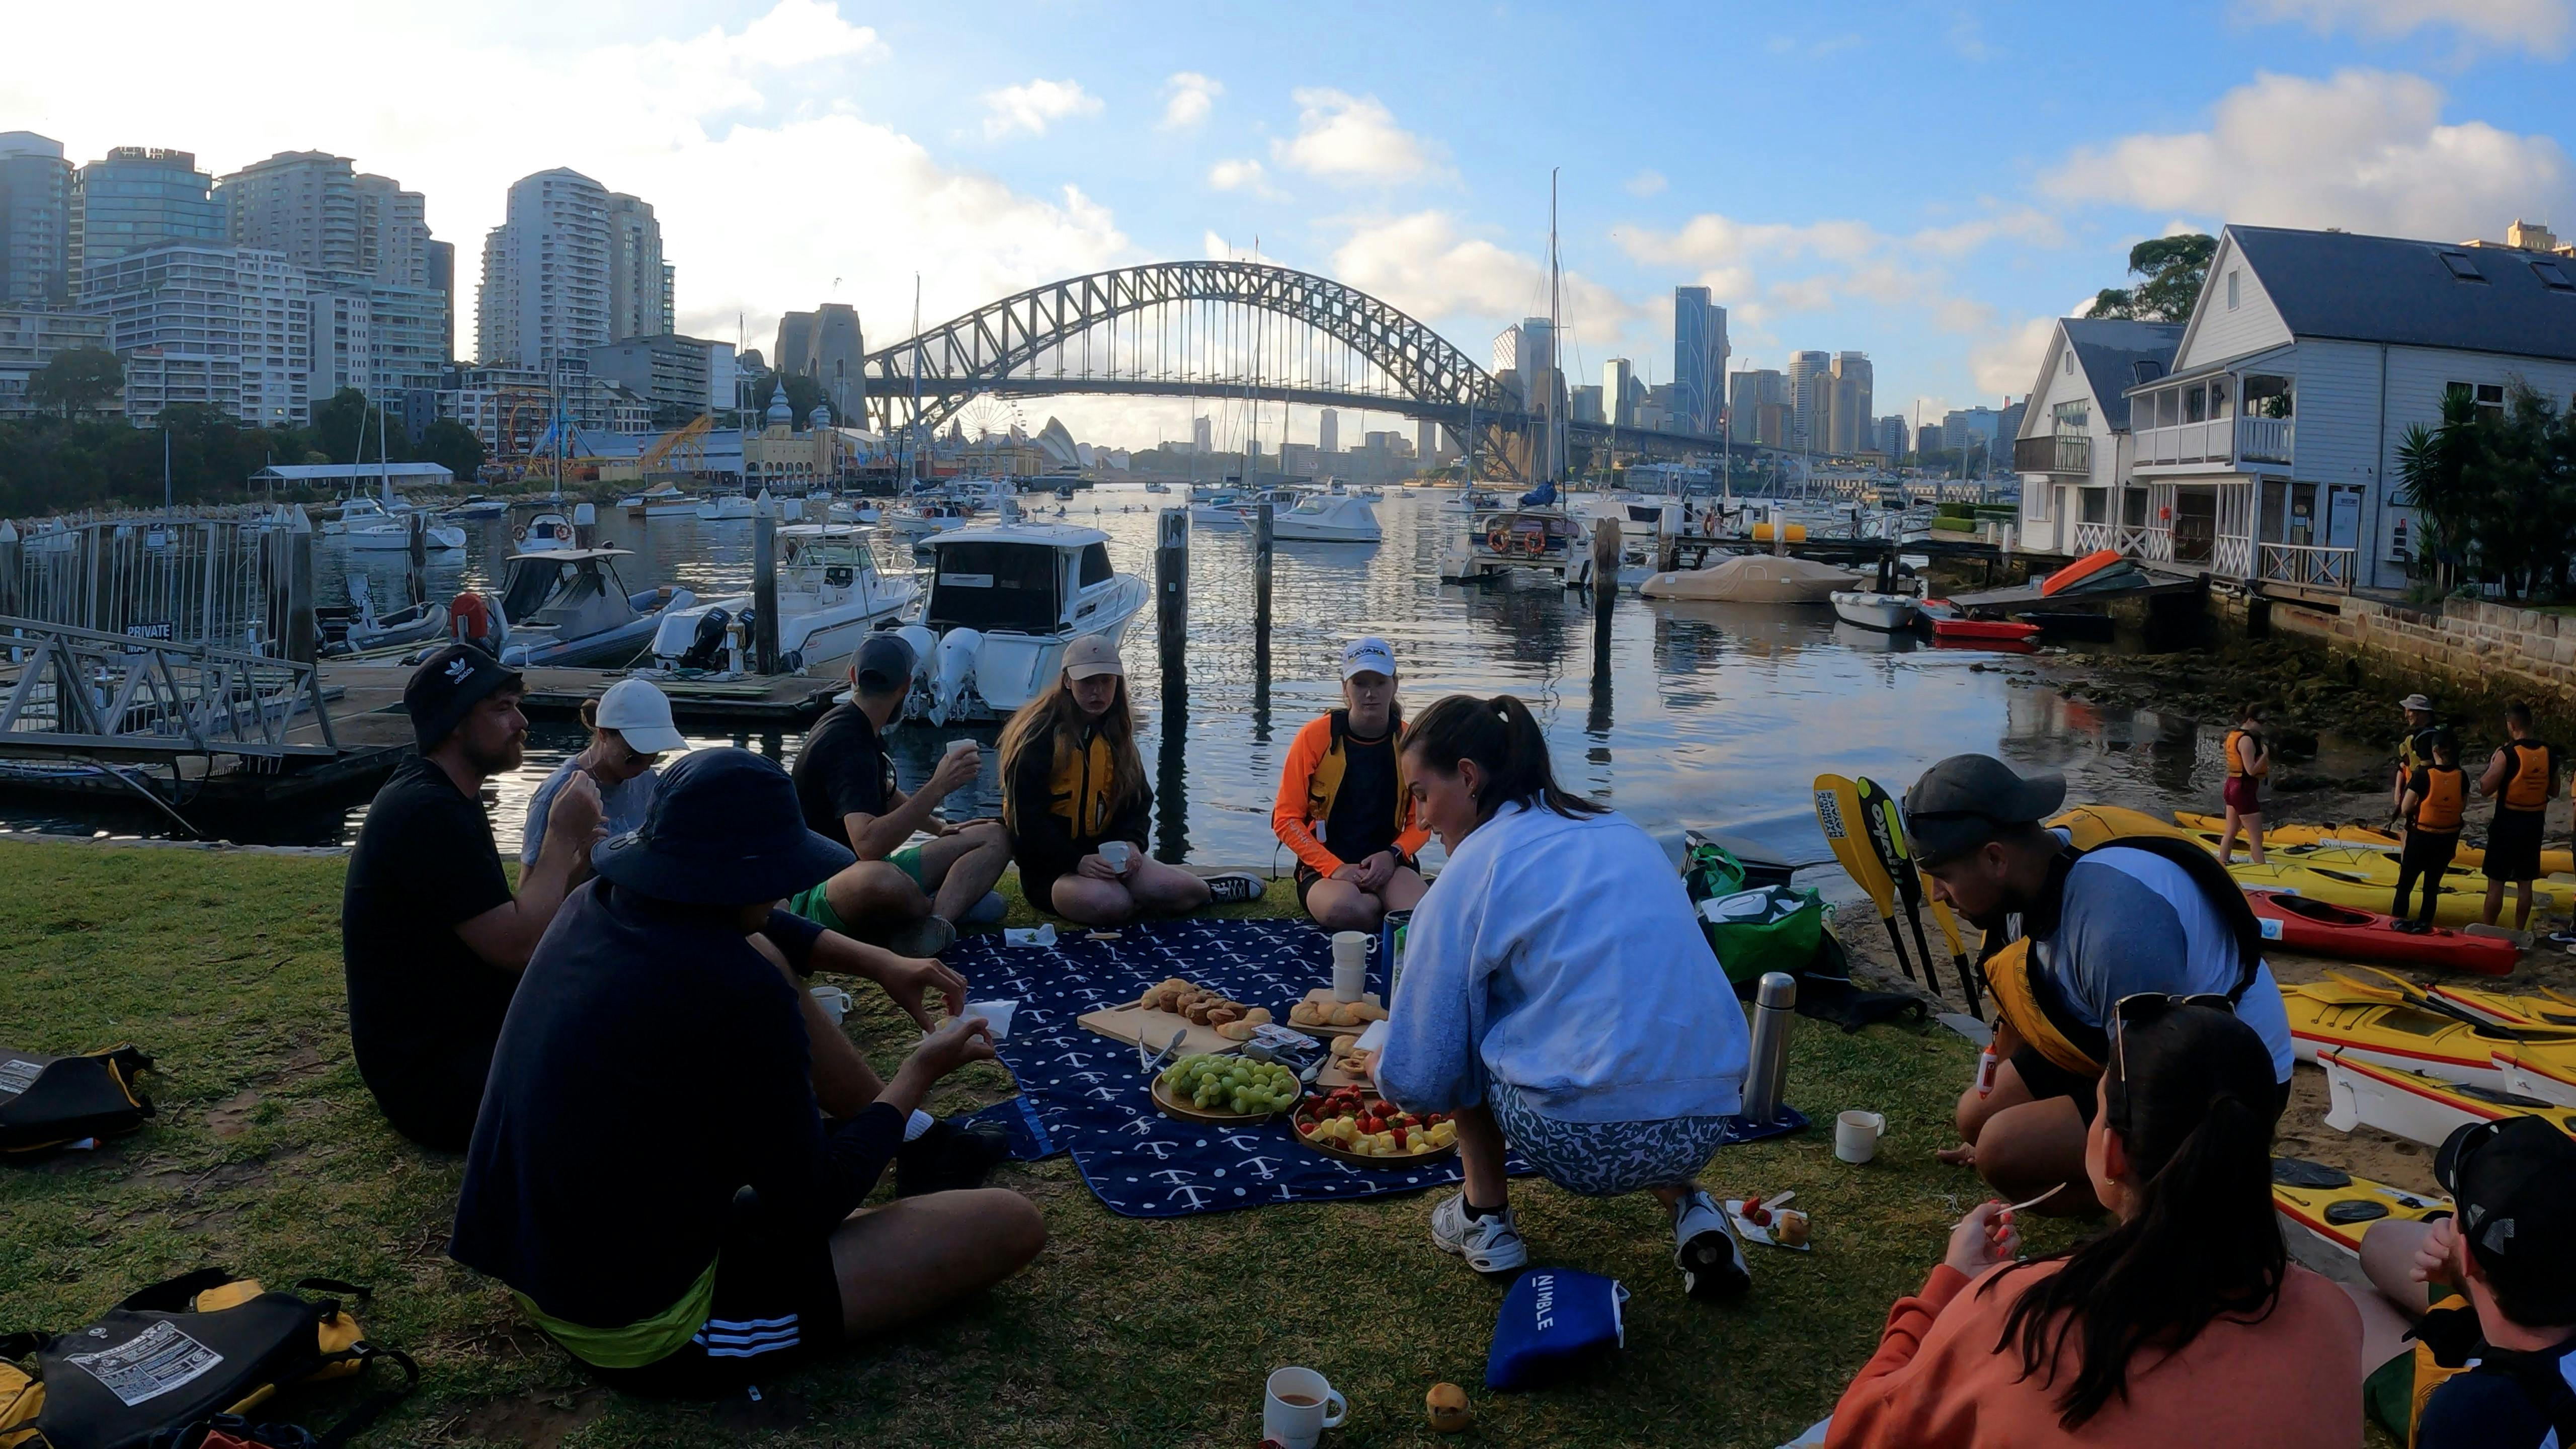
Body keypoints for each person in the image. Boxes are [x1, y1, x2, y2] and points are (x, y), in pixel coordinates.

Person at [451, 748, 1045, 1395]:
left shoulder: (594, 903)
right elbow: (814, 1203)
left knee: (760, 949)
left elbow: (764, 927)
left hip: (540, 1260)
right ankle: (914, 1143)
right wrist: (914, 1078)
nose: (785, 886)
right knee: (1008, 1223)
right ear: (751, 875)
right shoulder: (736, 993)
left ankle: (910, 1144)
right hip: (638, 1326)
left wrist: (880, 962)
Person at [1822, 1002, 2360, 1447]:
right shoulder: (2331, 1318)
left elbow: (1857, 1431)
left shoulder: (2016, 1315)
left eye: (2097, 1105)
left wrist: (1949, 1286)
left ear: (2114, 1152)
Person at [1375, 693, 1755, 1301]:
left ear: (1468, 778)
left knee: (1463, 1013)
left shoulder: (1479, 862)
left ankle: (1484, 1217)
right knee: (1631, 1024)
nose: (1419, 820)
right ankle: (1693, 1211)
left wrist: (1381, 1062)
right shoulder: (1619, 828)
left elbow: (1421, 1072)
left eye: (1421, 795)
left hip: (1580, 1139)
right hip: (1704, 1123)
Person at [1902, 753, 2296, 1216]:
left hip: (2219, 1076)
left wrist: (2071, 1159)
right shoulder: (2027, 875)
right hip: (2117, 1035)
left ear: (1995, 858)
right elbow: (2020, 1003)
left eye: (1943, 878)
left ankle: (2164, 1206)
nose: (1937, 897)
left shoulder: (2116, 929)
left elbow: (2151, 1087)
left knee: (2001, 1153)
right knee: (1975, 1117)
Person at [343, 645, 604, 1151]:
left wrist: (573, 872)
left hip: (466, 1039)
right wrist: (561, 835)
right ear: (456, 723)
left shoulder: (445, 794)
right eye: (502, 709)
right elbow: (518, 949)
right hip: (437, 1083)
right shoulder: (425, 812)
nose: (522, 722)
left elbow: (509, 921)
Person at [997, 635, 1263, 924]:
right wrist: (1076, 861)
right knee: (1109, 904)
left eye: (1106, 681)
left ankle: (1210, 889)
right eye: (1087, 682)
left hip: (1111, 860)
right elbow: (1026, 822)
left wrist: (1133, 844)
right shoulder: (1037, 738)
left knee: (1178, 890)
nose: (1097, 691)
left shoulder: (1117, 734)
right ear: (1067, 681)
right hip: (1053, 870)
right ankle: (1140, 900)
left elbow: (1139, 802)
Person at [2348, 1119, 2576, 1447]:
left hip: (2505, 1399)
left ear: (2467, 1258)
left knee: (2349, 1302)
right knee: (2379, 1242)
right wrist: (2460, 1270)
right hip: (2541, 1349)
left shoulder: (2467, 1415)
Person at [788, 634, 1011, 957]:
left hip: (862, 869)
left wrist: (939, 828)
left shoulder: (858, 725)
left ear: (853, 676)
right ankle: (935, 908)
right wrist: (938, 786)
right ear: (906, 686)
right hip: (820, 890)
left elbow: (885, 793)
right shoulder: (846, 743)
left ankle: (934, 923)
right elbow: (868, 844)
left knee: (994, 835)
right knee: (881, 878)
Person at [1271, 637, 1430, 932]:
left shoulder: (1410, 742)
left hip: (1391, 864)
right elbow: (1285, 819)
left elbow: (1422, 821)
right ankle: (1377, 907)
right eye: (1360, 683)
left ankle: (1387, 905)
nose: (1370, 693)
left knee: (1420, 913)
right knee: (1344, 911)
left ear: (1394, 685)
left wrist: (1394, 854)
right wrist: (1335, 868)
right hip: (1325, 869)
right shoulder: (1315, 737)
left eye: (1380, 682)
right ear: (1345, 688)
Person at [521, 677, 690, 872]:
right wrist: (582, 862)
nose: (644, 768)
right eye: (634, 757)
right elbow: (531, 892)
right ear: (603, 734)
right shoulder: (556, 793)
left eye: (654, 758)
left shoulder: (648, 780)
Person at [2476, 702, 2558, 931]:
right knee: (2525, 884)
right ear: (2531, 724)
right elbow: (2554, 791)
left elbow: (2484, 788)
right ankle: (2520, 931)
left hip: (2506, 824)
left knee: (2496, 883)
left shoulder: (2507, 754)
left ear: (2512, 726)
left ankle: (2488, 929)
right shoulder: (2548, 753)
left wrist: (2493, 762)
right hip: (2533, 825)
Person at [2394, 730, 2467, 932]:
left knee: (2405, 885)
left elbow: (2406, 809)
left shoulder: (2422, 776)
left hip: (2421, 839)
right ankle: (2425, 924)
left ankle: (2398, 921)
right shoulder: (2462, 776)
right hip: (2446, 841)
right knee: (2431, 887)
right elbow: (2461, 807)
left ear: (2434, 750)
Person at [2215, 701, 2270, 867]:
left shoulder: (2235, 735)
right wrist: (2265, 755)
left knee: (2231, 831)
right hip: (2243, 790)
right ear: (2251, 720)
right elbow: (2251, 770)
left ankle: (2223, 862)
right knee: (2256, 838)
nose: (2263, 727)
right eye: (2261, 723)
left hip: (2232, 786)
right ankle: (2263, 871)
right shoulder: (2246, 740)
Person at [2393, 691, 2441, 820]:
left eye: (2409, 711)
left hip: (2424, 793)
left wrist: (2407, 797)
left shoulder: (2424, 739)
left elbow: (2425, 773)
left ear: (2421, 713)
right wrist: (2398, 790)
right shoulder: (2440, 731)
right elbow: (2403, 765)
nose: (2406, 716)